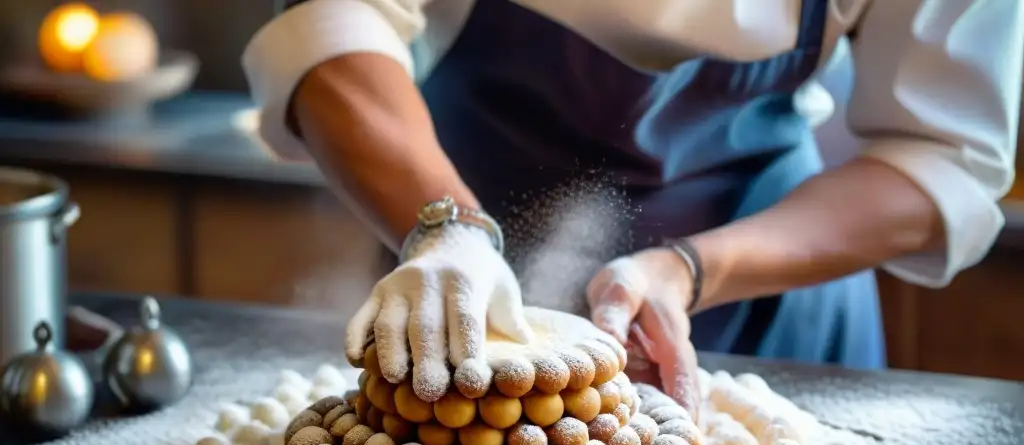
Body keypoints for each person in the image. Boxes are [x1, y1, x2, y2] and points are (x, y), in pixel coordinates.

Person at [243, 0, 1023, 416]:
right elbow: (330, 24)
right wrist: (450, 229)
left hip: (775, 308)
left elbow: (937, 156)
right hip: (459, 283)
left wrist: (689, 268)